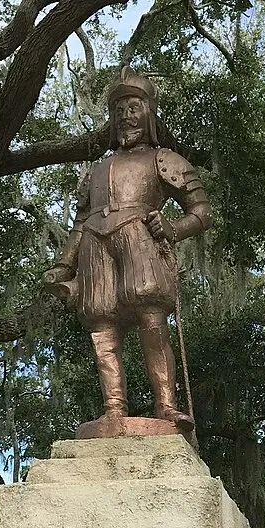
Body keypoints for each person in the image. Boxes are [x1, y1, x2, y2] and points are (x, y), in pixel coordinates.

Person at [44, 69, 213, 431]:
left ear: (149, 112)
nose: (125, 117)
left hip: (140, 240)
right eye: (119, 110)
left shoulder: (164, 159)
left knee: (152, 321)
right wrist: (63, 264)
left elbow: (201, 212)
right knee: (102, 326)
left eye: (133, 108)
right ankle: (114, 408)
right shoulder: (96, 169)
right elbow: (80, 220)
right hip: (95, 243)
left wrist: (172, 228)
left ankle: (166, 406)